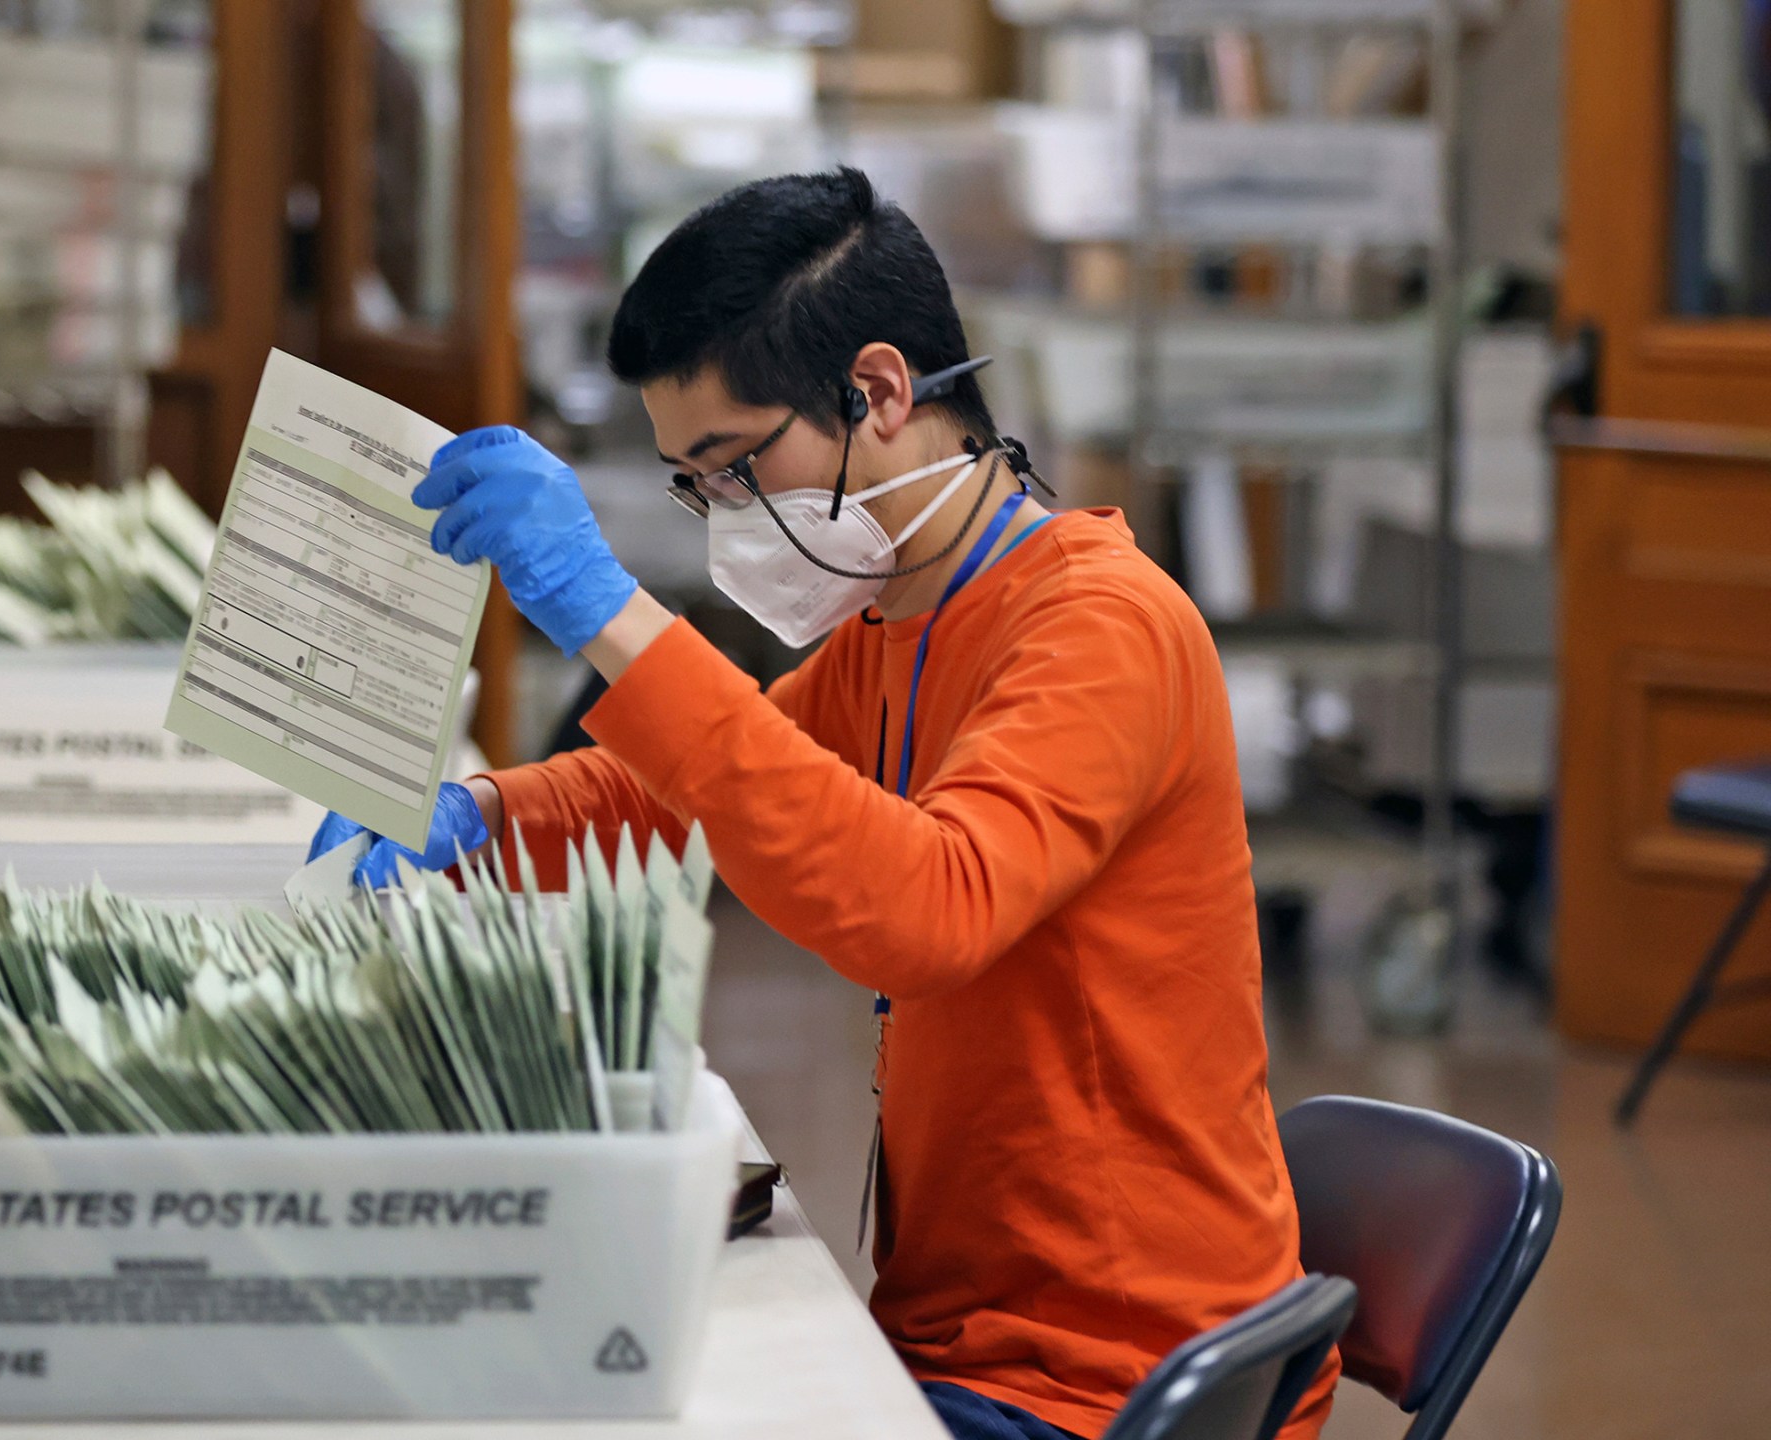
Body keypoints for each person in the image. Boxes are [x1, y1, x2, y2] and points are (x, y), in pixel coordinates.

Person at [307, 167, 1332, 1440]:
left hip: (1105, 1374)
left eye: (737, 465)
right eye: (696, 484)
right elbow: (690, 789)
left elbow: (926, 910)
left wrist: (611, 612)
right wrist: (480, 817)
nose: (728, 514)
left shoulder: (1103, 626)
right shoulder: (895, 630)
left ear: (884, 392)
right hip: (961, 1329)